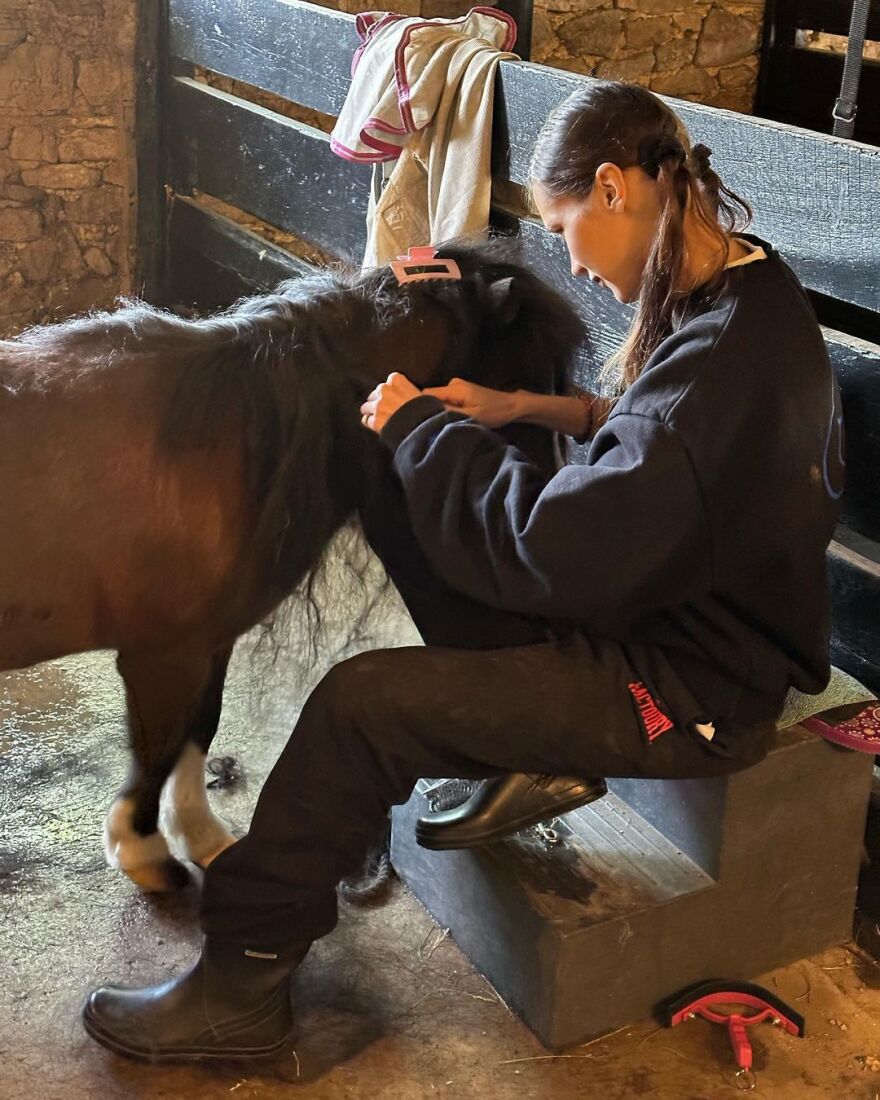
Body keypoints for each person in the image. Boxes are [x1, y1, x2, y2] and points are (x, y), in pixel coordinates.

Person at [82, 81, 844, 1062]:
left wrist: (424, 427)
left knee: (363, 703)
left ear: (612, 189)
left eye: (566, 224)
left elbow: (559, 548)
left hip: (683, 685)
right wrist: (523, 408)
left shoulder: (715, 368)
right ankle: (500, 743)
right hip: (666, 603)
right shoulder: (747, 286)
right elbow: (670, 456)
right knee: (392, 471)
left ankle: (242, 978)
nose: (567, 255)